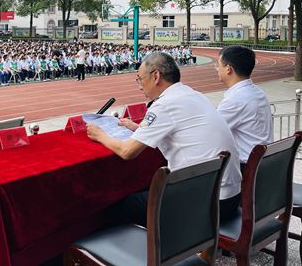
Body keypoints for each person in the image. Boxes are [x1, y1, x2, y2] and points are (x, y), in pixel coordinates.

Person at [86, 52, 242, 226]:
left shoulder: (165, 104)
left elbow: (127, 151)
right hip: (228, 197)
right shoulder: (193, 94)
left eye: (140, 79)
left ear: (156, 76)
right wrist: (138, 128)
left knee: (112, 207)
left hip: (203, 203)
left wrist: (100, 135)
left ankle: (145, 241)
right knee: (145, 189)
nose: (140, 86)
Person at [215, 46, 273, 164]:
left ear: (228, 69)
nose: (217, 69)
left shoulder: (236, 99)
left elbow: (211, 131)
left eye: (219, 65)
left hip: (245, 167)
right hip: (264, 163)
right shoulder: (257, 92)